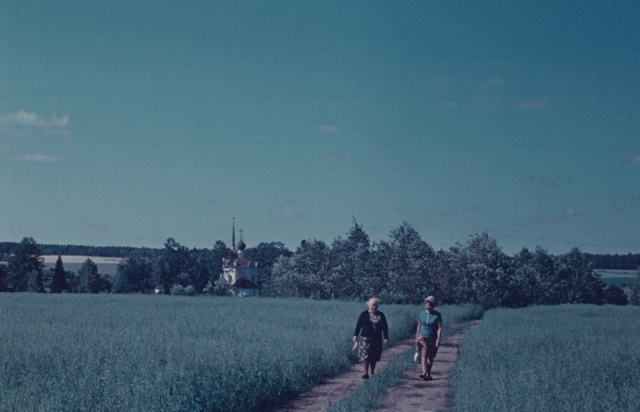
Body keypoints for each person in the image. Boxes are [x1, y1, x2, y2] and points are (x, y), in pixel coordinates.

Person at [353, 297, 389, 379]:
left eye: (376, 305)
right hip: (365, 339)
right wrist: (355, 335)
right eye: (372, 305)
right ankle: (366, 373)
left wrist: (386, 337)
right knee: (366, 355)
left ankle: (372, 372)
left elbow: (385, 327)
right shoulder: (364, 314)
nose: (374, 307)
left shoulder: (381, 315)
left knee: (374, 356)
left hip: (376, 339)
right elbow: (358, 325)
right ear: (369, 305)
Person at [415, 295, 443, 381]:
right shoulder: (421, 313)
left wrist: (438, 339)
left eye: (429, 303)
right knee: (424, 354)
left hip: (432, 338)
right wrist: (416, 337)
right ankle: (424, 372)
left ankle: (428, 374)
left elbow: (439, 328)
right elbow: (419, 326)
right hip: (422, 337)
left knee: (430, 357)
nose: (427, 304)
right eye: (426, 303)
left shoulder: (437, 315)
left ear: (433, 304)